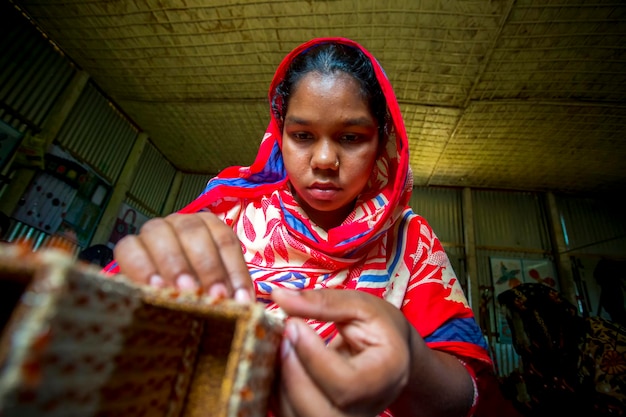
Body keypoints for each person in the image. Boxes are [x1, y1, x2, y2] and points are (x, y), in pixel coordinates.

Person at [105, 37, 496, 417]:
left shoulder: (409, 241)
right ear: (280, 136)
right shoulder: (230, 214)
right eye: (303, 135)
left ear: (381, 143)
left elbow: (467, 394)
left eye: (351, 137)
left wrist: (410, 357)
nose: (325, 159)